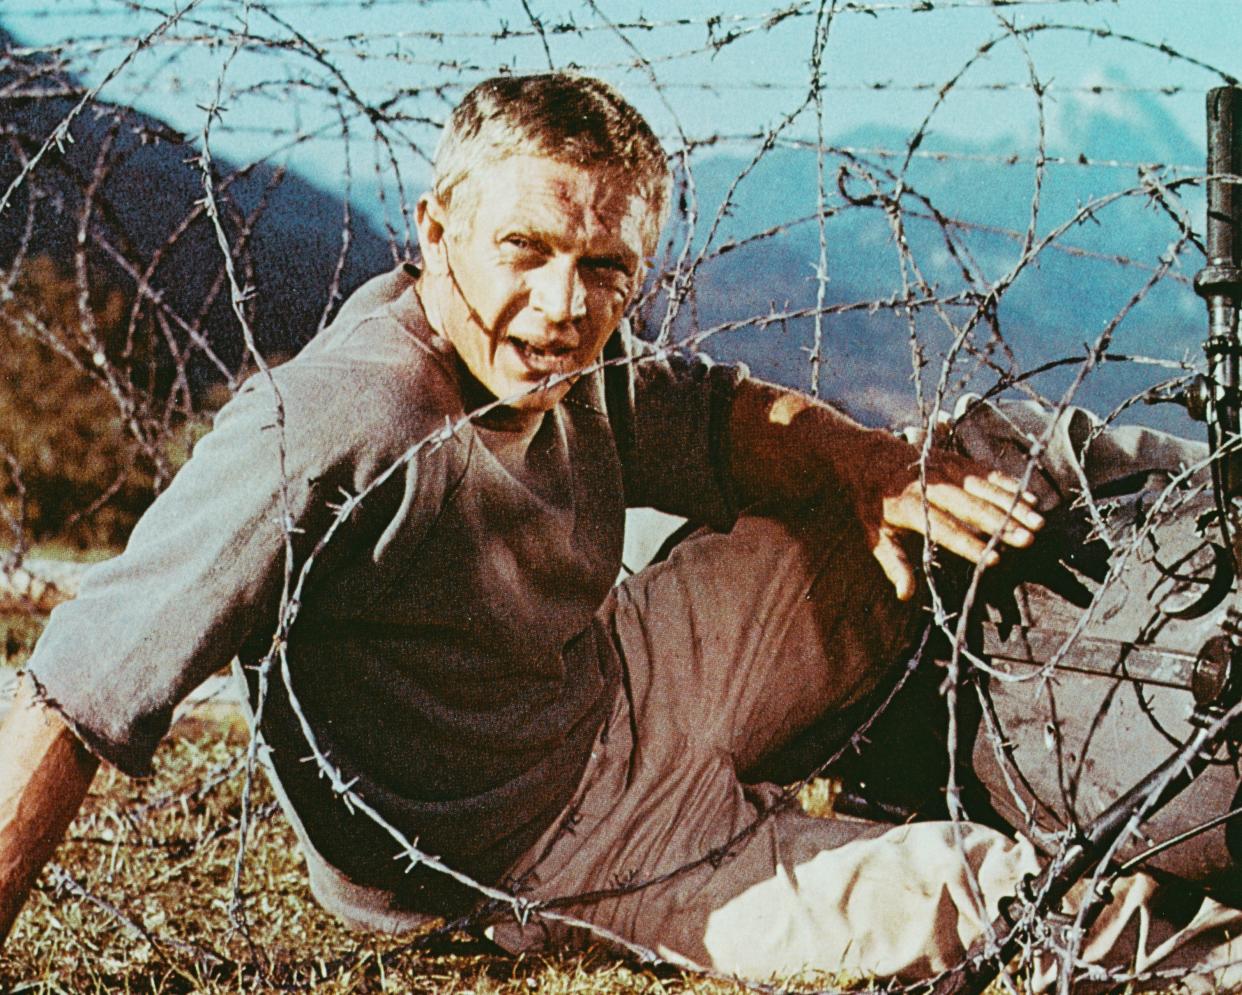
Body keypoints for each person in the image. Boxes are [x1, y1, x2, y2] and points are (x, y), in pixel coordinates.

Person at [0, 72, 1233, 989]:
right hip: (563, 846)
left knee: (953, 481)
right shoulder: (335, 423)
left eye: (605, 268)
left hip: (627, 675)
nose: (561, 307)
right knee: (1020, 907)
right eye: (525, 251)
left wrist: (863, 464)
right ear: (435, 232)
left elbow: (705, 417)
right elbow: (78, 684)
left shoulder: (560, 364)